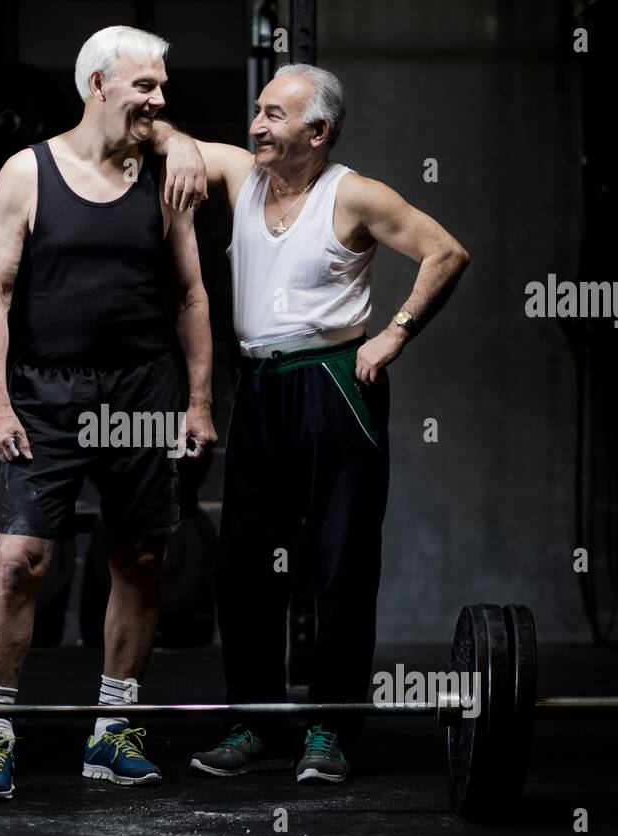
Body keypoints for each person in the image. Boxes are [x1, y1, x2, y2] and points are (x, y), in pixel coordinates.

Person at [151, 63, 470, 783]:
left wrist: (394, 334)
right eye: (258, 111)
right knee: (243, 570)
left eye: (274, 115)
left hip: (334, 386)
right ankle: (253, 724)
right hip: (260, 390)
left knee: (341, 567)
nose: (257, 125)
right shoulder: (241, 175)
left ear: (318, 131)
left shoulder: (352, 194)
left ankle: (328, 730)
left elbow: (445, 252)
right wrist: (174, 145)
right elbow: (167, 132)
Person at [0, 25, 217, 800]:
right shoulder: (27, 171)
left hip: (143, 390)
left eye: (163, 86)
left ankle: (114, 733)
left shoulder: (165, 175)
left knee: (139, 559)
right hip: (47, 392)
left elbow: (190, 295)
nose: (159, 99)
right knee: (17, 563)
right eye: (145, 86)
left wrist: (200, 401)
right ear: (98, 86)